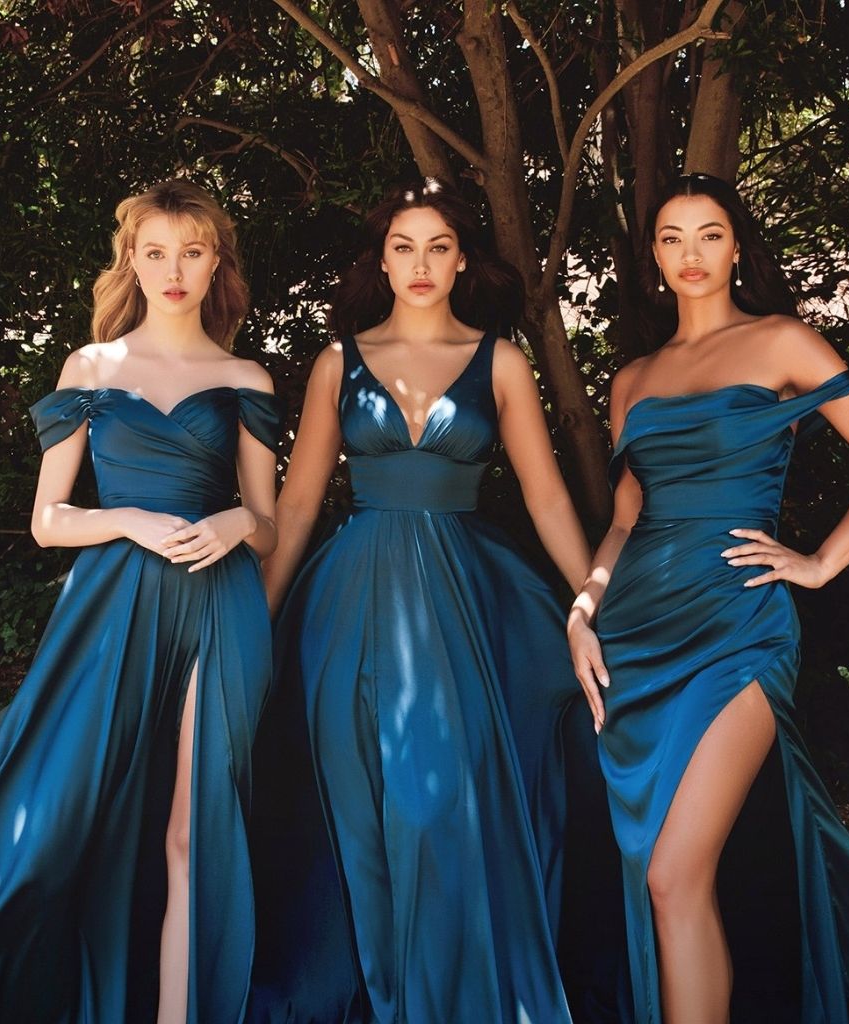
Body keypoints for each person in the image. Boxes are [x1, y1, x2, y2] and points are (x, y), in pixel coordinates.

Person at [0, 178, 283, 1024]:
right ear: (131, 263)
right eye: (156, 253)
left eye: (192, 252)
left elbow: (271, 525)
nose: (173, 270)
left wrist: (229, 519)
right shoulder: (92, 368)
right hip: (113, 612)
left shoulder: (245, 375)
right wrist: (132, 518)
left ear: (217, 263)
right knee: (53, 834)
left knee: (194, 832)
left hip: (220, 611)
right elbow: (47, 521)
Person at [249, 178, 624, 1024]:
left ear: (463, 261)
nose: (420, 265)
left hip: (466, 596)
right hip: (353, 598)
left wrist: (590, 602)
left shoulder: (501, 360)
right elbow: (300, 503)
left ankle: (453, 993)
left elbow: (548, 498)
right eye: (404, 247)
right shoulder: (337, 361)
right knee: (362, 801)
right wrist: (258, 616)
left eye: (438, 247)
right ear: (381, 261)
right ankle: (380, 989)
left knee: (439, 802)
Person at [568, 172, 849, 1024]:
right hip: (636, 630)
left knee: (672, 871)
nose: (691, 254)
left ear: (736, 246)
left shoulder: (782, 342)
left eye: (709, 234)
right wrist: (583, 608)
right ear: (652, 257)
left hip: (740, 624)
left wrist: (822, 562)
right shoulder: (632, 379)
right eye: (672, 237)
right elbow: (623, 521)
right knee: (664, 879)